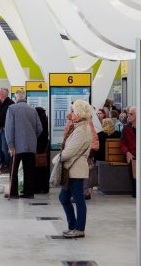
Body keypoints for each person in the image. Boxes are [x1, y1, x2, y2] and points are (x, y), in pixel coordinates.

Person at [58, 100, 92, 238]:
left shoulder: (82, 130)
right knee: (63, 197)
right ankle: (73, 226)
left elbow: (69, 152)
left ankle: (79, 228)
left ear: (79, 113)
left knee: (78, 199)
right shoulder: (78, 127)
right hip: (71, 169)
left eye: (73, 111)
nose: (70, 113)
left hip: (76, 170)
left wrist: (57, 159)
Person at [5, 89, 42, 199]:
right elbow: (39, 128)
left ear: (16, 99)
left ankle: (14, 193)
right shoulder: (33, 110)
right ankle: (29, 193)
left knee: (14, 169)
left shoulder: (12, 108)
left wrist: (11, 144)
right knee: (29, 170)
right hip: (30, 146)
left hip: (16, 146)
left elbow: (9, 128)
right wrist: (32, 138)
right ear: (25, 98)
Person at [0, 88, 14, 173]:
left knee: (5, 148)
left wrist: (8, 126)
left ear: (5, 94)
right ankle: (2, 163)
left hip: (5, 130)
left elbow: (12, 118)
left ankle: (8, 165)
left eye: (0, 92)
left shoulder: (11, 103)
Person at [120, 106, 136, 198]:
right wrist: (127, 152)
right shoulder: (126, 128)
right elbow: (122, 143)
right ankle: (136, 191)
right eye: (128, 113)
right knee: (133, 162)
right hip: (132, 155)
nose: (128, 116)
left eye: (131, 114)